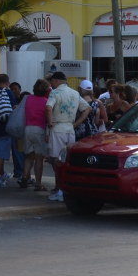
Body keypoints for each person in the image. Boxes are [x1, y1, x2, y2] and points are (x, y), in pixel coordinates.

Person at [45, 71, 88, 202]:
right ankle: (65, 187)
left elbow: (48, 107)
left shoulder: (55, 92)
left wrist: (50, 121)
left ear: (57, 81)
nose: (51, 84)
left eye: (52, 81)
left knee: (56, 160)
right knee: (67, 159)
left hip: (57, 128)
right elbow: (87, 108)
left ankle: (60, 188)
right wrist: (76, 123)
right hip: (70, 129)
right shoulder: (75, 93)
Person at [22, 79, 51, 191]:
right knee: (39, 158)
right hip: (39, 129)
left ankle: (25, 177)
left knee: (29, 156)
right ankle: (38, 183)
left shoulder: (28, 99)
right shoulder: (46, 101)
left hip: (27, 129)